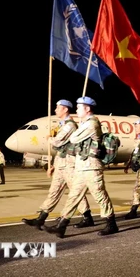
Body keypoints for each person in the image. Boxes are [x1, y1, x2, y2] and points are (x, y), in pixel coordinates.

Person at [44, 96, 118, 238]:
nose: (76, 110)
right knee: (74, 196)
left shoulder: (91, 124)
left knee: (99, 195)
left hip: (92, 167)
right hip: (81, 166)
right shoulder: (85, 123)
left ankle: (111, 223)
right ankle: (62, 226)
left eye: (79, 108)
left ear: (87, 109)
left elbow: (73, 138)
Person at [22, 99, 93, 230]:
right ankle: (41, 218)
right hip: (61, 164)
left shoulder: (70, 125)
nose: (55, 110)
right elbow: (61, 149)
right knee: (53, 191)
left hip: (70, 165)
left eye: (58, 108)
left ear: (65, 109)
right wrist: (53, 165)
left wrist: (49, 138)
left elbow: (58, 142)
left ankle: (87, 217)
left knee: (75, 192)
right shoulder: (62, 125)